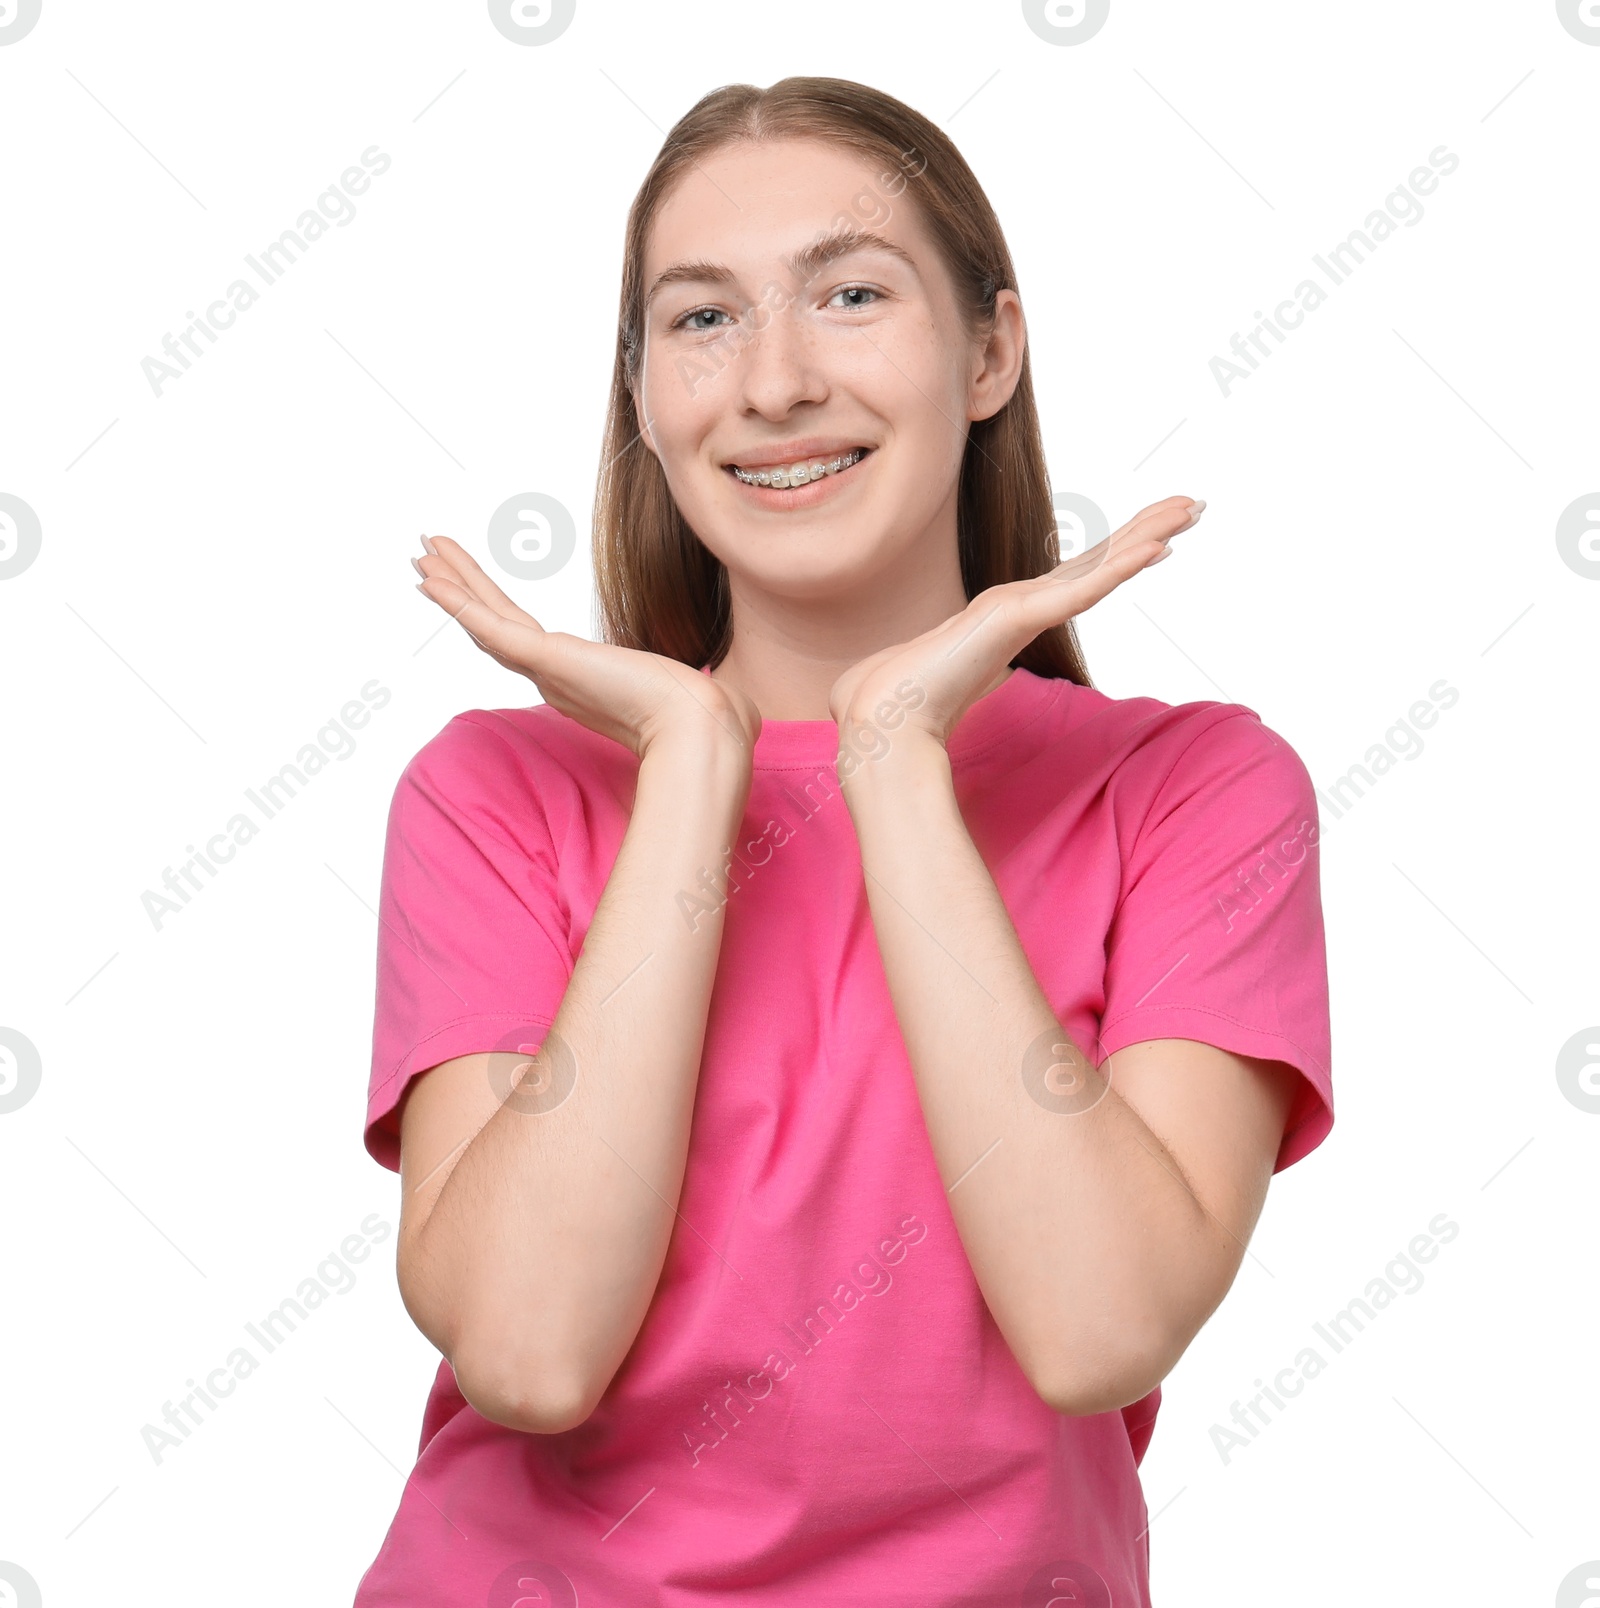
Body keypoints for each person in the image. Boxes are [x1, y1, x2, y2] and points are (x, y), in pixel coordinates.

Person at [354, 76, 1334, 1608]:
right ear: (642, 397)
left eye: (853, 294)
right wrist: (691, 760)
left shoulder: (1191, 790)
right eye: (701, 320)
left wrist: (891, 762)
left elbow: (1097, 1327)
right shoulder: (499, 794)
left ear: (991, 349)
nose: (776, 382)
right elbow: (532, 1354)